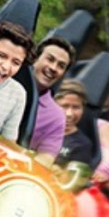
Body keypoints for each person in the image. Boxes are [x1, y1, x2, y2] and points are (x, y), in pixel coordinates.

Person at [30, 37, 75, 166]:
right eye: (50, 59)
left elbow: (46, 157)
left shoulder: (56, 116)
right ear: (34, 59)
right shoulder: (5, 83)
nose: (53, 68)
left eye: (61, 66)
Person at [54, 80, 93, 167]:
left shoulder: (82, 145)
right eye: (64, 106)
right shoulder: (39, 127)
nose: (69, 114)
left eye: (76, 107)